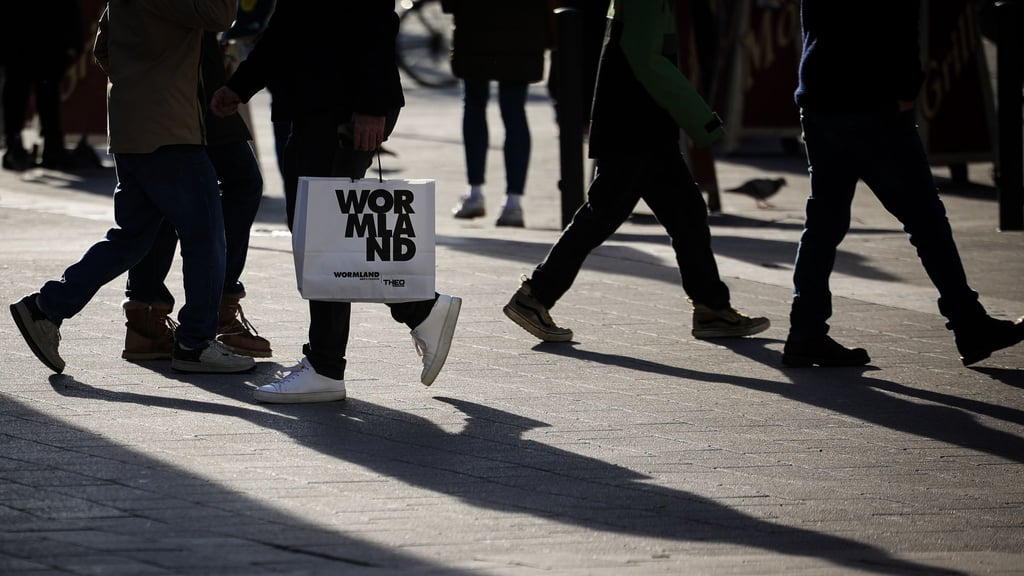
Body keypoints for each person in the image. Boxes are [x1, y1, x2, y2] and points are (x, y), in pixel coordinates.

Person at [210, 0, 461, 403]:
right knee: (319, 232)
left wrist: (371, 105)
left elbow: (374, 17)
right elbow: (290, 24)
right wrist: (241, 86)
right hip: (318, 104)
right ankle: (417, 311)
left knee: (320, 234)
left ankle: (329, 364)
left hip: (341, 108)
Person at [9, 0, 254, 375]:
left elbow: (102, 48)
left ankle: (46, 308)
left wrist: (139, 78)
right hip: (169, 128)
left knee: (132, 238)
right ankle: (195, 342)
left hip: (131, 126)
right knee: (205, 235)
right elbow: (220, 15)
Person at [502, 0, 769, 343]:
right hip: (635, 127)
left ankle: (712, 308)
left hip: (641, 126)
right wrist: (700, 118)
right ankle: (535, 296)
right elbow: (646, 59)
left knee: (685, 214)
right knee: (603, 215)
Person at [782, 0, 1024, 367]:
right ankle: (968, 321)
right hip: (872, 96)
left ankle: (806, 330)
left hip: (821, 93)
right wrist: (907, 86)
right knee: (925, 219)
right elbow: (896, 18)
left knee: (824, 222)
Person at [120, 32, 271, 362]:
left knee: (228, 184)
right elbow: (217, 14)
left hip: (192, 73)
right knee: (176, 191)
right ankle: (185, 316)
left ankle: (152, 317)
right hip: (182, 82)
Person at [442, 0, 548, 227]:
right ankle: (513, 203)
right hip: (522, 24)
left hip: (475, 21)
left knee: (474, 104)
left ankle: (475, 192)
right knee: (514, 110)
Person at [1, 1, 83, 171]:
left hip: (28, 37)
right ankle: (45, 146)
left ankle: (21, 143)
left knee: (28, 94)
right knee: (41, 94)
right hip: (42, 37)